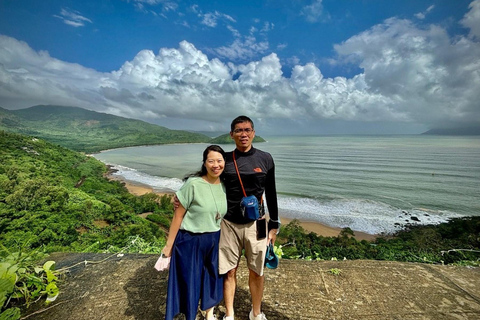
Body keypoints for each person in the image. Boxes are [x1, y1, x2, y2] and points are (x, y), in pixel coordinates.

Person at [219, 115, 280, 320]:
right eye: (239, 130)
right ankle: (230, 314)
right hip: (229, 223)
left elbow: (271, 192)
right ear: (231, 135)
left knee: (257, 271)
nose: (243, 134)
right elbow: (206, 180)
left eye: (247, 130)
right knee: (229, 271)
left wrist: (274, 225)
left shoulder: (265, 158)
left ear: (253, 133)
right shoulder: (225, 160)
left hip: (258, 224)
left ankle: (256, 312)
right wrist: (183, 196)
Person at [162, 145, 228, 320]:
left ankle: (209, 313)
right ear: (204, 163)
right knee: (191, 281)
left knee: (212, 278)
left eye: (219, 161)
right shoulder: (193, 184)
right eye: (211, 161)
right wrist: (168, 247)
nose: (216, 165)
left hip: (214, 238)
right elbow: (178, 216)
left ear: (224, 162)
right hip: (190, 240)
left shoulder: (225, 185)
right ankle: (190, 316)